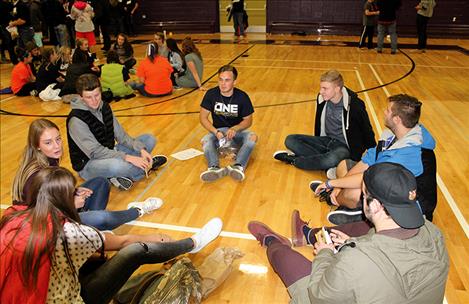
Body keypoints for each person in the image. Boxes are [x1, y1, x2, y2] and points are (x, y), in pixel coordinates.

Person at [0, 166, 223, 303]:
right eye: (73, 192)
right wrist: (155, 237)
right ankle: (193, 243)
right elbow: (125, 241)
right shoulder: (70, 232)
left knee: (98, 250)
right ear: (60, 200)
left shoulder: (13, 216)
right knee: (135, 250)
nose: (79, 194)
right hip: (74, 298)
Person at [248, 162, 449, 304]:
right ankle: (305, 236)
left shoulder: (356, 261)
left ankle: (272, 241)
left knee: (286, 259)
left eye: (364, 194)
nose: (361, 198)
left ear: (376, 205)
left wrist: (326, 253)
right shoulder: (433, 232)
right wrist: (353, 243)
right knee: (364, 231)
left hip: (342, 285)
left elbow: (320, 295)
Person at [11, 118, 162, 231]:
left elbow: (53, 194)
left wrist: (74, 192)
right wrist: (71, 204)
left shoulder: (48, 159)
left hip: (57, 209)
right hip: (44, 226)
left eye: (58, 139)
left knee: (101, 182)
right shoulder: (36, 174)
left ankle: (91, 230)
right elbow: (40, 214)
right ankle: (137, 210)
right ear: (37, 145)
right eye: (48, 143)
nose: (57, 146)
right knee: (103, 218)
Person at [311, 94, 436, 224]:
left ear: (397, 119)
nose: (384, 112)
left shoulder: (410, 153)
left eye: (388, 110)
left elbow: (369, 178)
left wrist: (331, 183)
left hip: (408, 206)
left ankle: (339, 202)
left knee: (354, 192)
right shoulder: (395, 134)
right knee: (344, 165)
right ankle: (355, 208)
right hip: (384, 183)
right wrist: (339, 186)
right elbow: (368, 161)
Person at [67, 74, 168, 188]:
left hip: (110, 152)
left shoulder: (104, 107)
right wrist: (128, 157)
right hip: (89, 164)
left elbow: (122, 137)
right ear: (81, 97)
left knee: (149, 139)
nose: (95, 101)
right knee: (118, 166)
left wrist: (141, 150)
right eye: (89, 97)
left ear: (101, 91)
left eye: (97, 95)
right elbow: (96, 152)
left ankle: (119, 176)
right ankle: (146, 166)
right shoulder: (76, 120)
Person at [274, 70, 375, 174]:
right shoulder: (322, 98)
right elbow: (318, 123)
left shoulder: (355, 105)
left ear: (337, 89)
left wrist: (374, 155)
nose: (321, 91)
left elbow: (366, 130)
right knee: (290, 140)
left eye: (325, 88)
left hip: (344, 147)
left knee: (333, 158)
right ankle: (327, 165)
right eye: (321, 87)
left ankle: (293, 160)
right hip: (326, 141)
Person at [199, 64, 257, 182]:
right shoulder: (211, 94)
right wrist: (215, 132)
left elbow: (248, 121)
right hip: (218, 134)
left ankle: (238, 166)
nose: (223, 83)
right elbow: (203, 118)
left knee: (252, 137)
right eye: (220, 79)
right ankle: (214, 167)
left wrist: (235, 129)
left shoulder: (242, 96)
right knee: (205, 140)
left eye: (227, 80)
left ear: (234, 82)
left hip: (236, 134)